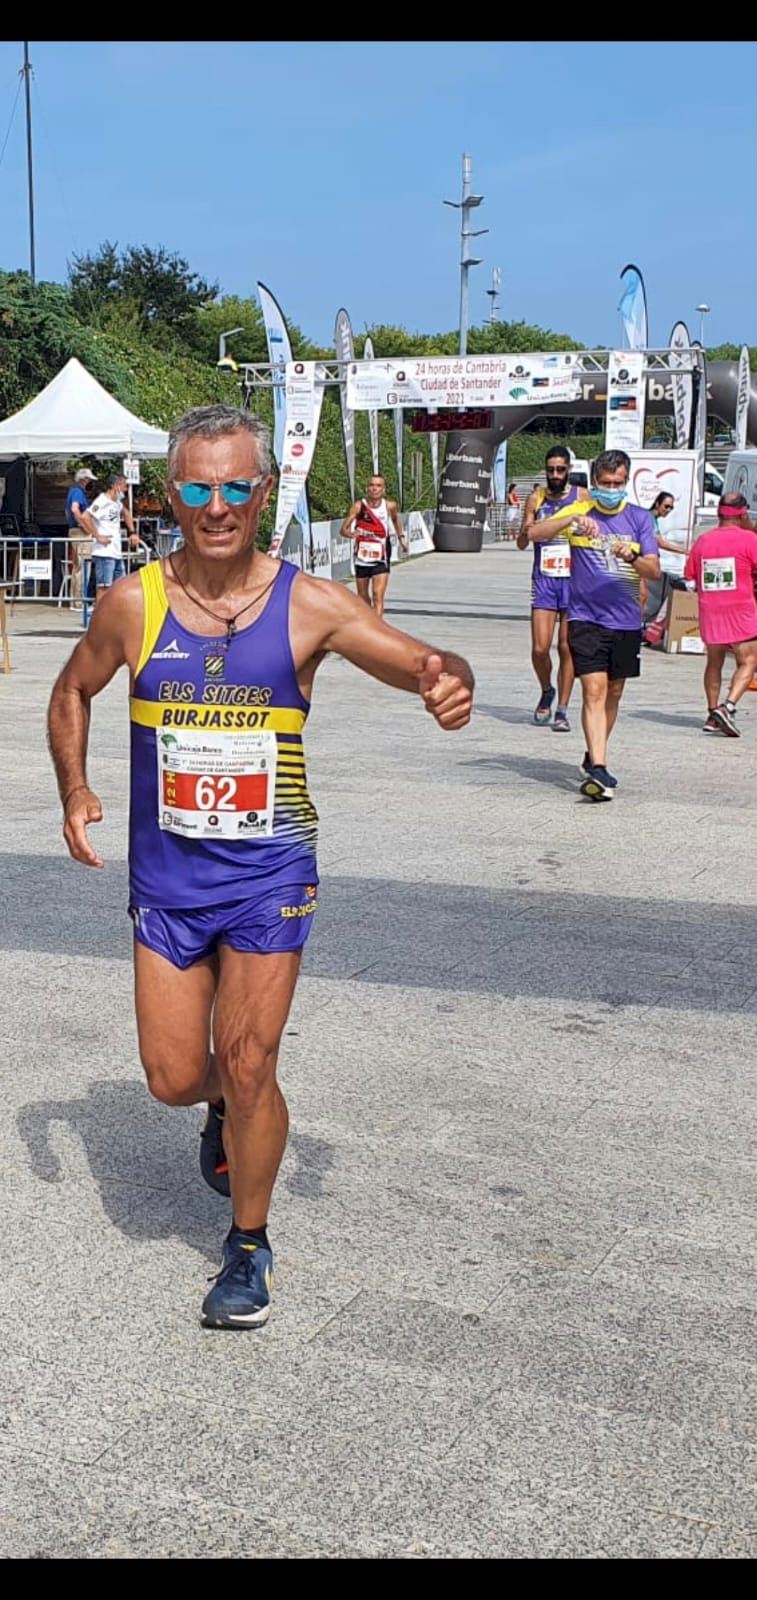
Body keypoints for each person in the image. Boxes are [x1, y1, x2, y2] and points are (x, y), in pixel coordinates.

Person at [47, 404, 474, 1331]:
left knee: (248, 1060)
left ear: (265, 491)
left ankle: (247, 1245)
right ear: (172, 495)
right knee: (172, 1078)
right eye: (199, 488)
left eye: (237, 485)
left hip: (269, 875)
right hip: (168, 881)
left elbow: (421, 661)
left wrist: (450, 679)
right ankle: (232, 1109)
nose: (218, 506)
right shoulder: (133, 604)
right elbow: (73, 686)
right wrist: (75, 789)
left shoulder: (310, 603)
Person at [529, 448, 660, 799]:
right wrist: (569, 521)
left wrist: (632, 556)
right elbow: (534, 533)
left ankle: (593, 753)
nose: (611, 489)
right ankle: (599, 769)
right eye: (605, 483)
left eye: (618, 483)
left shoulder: (639, 519)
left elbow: (653, 570)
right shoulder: (581, 510)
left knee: (614, 692)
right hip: (585, 618)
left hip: (626, 621)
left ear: (626, 481)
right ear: (595, 481)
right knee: (594, 690)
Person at [683, 492, 757, 736]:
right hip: (741, 610)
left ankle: (712, 713)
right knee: (749, 661)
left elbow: (690, 576)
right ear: (743, 513)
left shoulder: (703, 541)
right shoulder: (750, 540)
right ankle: (728, 707)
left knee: (714, 662)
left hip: (710, 609)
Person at [517, 445, 580, 731]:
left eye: (560, 469)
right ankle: (546, 689)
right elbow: (522, 542)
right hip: (544, 579)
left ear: (568, 470)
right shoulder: (536, 498)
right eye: (551, 469)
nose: (555, 474)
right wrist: (526, 530)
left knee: (567, 647)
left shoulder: (582, 497)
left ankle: (562, 710)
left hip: (574, 580)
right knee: (540, 648)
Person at [341, 474, 408, 619]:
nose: (374, 488)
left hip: (381, 554)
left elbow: (395, 521)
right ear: (367, 488)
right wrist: (351, 534)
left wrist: (401, 538)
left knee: (377, 594)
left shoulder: (390, 506)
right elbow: (343, 530)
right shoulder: (359, 506)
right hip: (362, 554)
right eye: (372, 485)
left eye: (378, 486)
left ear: (383, 490)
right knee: (362, 596)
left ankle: (377, 626)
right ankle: (368, 622)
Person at [79, 473, 139, 605]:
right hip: (104, 552)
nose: (125, 489)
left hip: (115, 551)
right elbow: (85, 517)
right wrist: (97, 536)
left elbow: (126, 513)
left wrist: (132, 532)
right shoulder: (102, 501)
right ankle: (100, 614)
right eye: (124, 486)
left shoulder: (116, 502)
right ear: (116, 486)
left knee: (120, 586)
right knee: (104, 587)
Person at [65, 468, 97, 606]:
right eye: (89, 480)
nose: (90, 482)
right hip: (80, 532)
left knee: (78, 567)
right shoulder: (78, 492)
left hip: (76, 530)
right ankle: (79, 601)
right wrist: (84, 526)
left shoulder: (73, 491)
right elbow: (74, 509)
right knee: (83, 566)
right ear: (84, 480)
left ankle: (76, 600)